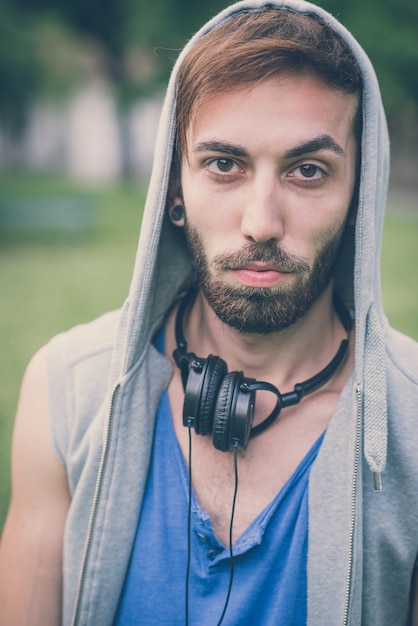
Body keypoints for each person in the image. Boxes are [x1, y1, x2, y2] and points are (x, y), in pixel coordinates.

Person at [1, 0, 418, 624]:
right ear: (175, 186)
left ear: (359, 194)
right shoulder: (66, 392)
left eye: (308, 170)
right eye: (224, 164)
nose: (261, 223)